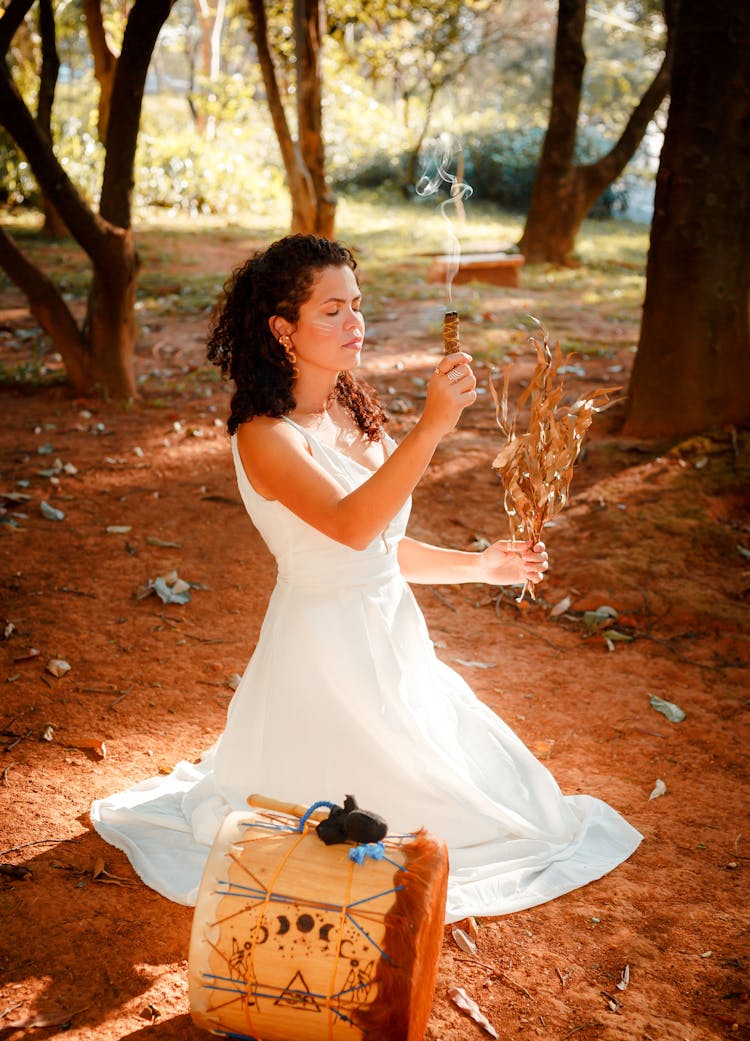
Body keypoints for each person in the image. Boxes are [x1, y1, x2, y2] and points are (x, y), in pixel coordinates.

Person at [91, 234, 641, 922]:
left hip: (392, 634)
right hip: (323, 656)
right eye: (331, 311)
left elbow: (380, 548)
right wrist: (434, 426)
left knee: (511, 798)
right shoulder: (265, 436)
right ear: (282, 329)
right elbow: (349, 527)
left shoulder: (354, 407)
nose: (355, 323)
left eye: (357, 305)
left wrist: (481, 566)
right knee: (403, 816)